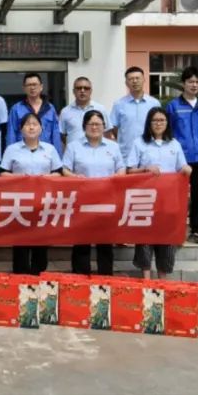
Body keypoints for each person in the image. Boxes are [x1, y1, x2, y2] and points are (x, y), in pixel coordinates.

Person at [126, 107, 192, 280]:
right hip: (146, 199)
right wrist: (145, 169)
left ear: (167, 123)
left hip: (168, 200)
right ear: (149, 123)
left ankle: (163, 279)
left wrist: (186, 169)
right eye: (154, 120)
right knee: (145, 238)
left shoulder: (174, 144)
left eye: (162, 120)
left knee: (167, 238)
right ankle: (146, 278)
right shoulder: (139, 143)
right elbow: (129, 170)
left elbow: (182, 167)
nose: (158, 123)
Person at [61, 110, 125, 276]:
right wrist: (75, 177)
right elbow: (65, 169)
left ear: (104, 126)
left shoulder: (113, 146)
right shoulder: (74, 146)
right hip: (82, 200)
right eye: (91, 124)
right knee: (82, 241)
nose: (95, 127)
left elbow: (121, 168)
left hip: (107, 201)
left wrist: (117, 177)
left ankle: (105, 278)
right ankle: (81, 278)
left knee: (105, 242)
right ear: (84, 126)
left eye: (98, 124)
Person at [0, 112, 64, 276]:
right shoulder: (12, 149)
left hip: (44, 202)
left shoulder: (50, 149)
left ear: (41, 128)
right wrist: (20, 178)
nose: (31, 127)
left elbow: (58, 173)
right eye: (27, 124)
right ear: (21, 129)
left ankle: (38, 274)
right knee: (20, 240)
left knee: (40, 240)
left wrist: (44, 178)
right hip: (20, 202)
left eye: (35, 124)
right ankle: (20, 276)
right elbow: (2, 173)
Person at [166, 66, 198, 247]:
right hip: (180, 159)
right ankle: (174, 232)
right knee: (177, 197)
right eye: (190, 81)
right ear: (183, 83)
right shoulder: (173, 106)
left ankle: (196, 231)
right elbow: (168, 133)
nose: (194, 85)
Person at [108, 66, 161, 166]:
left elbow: (159, 126)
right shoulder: (119, 104)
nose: (135, 81)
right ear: (126, 83)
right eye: (131, 79)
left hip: (149, 152)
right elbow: (114, 127)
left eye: (137, 78)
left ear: (144, 80)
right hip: (126, 154)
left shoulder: (154, 103)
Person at [6, 72, 62, 155]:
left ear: (41, 87)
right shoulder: (16, 109)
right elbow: (11, 135)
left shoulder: (50, 108)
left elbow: (55, 134)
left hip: (46, 154)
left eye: (35, 84)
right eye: (29, 85)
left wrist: (57, 157)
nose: (32, 88)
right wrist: (10, 155)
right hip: (23, 154)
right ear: (24, 88)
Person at [60, 76, 108, 149]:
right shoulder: (65, 112)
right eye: (79, 88)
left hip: (97, 152)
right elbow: (62, 136)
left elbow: (107, 133)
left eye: (86, 88)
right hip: (74, 153)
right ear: (73, 91)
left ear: (91, 91)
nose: (82, 91)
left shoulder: (100, 109)